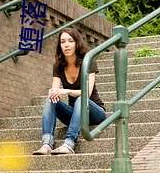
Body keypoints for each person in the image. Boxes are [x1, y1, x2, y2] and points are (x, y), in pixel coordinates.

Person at [32, 27, 107, 155]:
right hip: (74, 115)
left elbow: (87, 94)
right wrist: (54, 92)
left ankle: (69, 143)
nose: (66, 45)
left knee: (80, 99)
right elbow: (55, 91)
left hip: (94, 112)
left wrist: (66, 91)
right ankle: (47, 143)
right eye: (62, 42)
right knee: (50, 99)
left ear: (77, 43)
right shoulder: (58, 65)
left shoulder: (88, 61)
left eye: (70, 41)